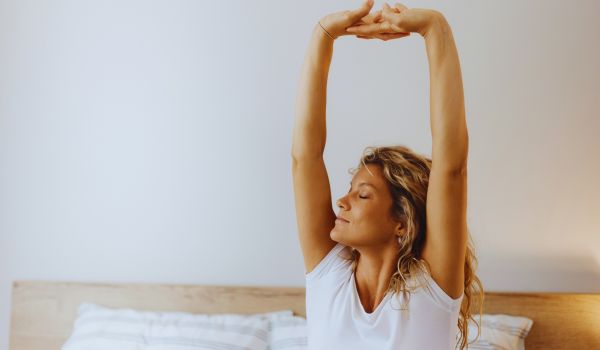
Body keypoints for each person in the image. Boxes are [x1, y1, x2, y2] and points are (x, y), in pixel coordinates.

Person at [291, 1, 484, 349]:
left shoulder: (430, 290)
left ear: (402, 221)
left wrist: (434, 28)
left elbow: (452, 168)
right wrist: (324, 34)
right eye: (352, 191)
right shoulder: (329, 275)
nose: (341, 201)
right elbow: (305, 157)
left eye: (362, 194)